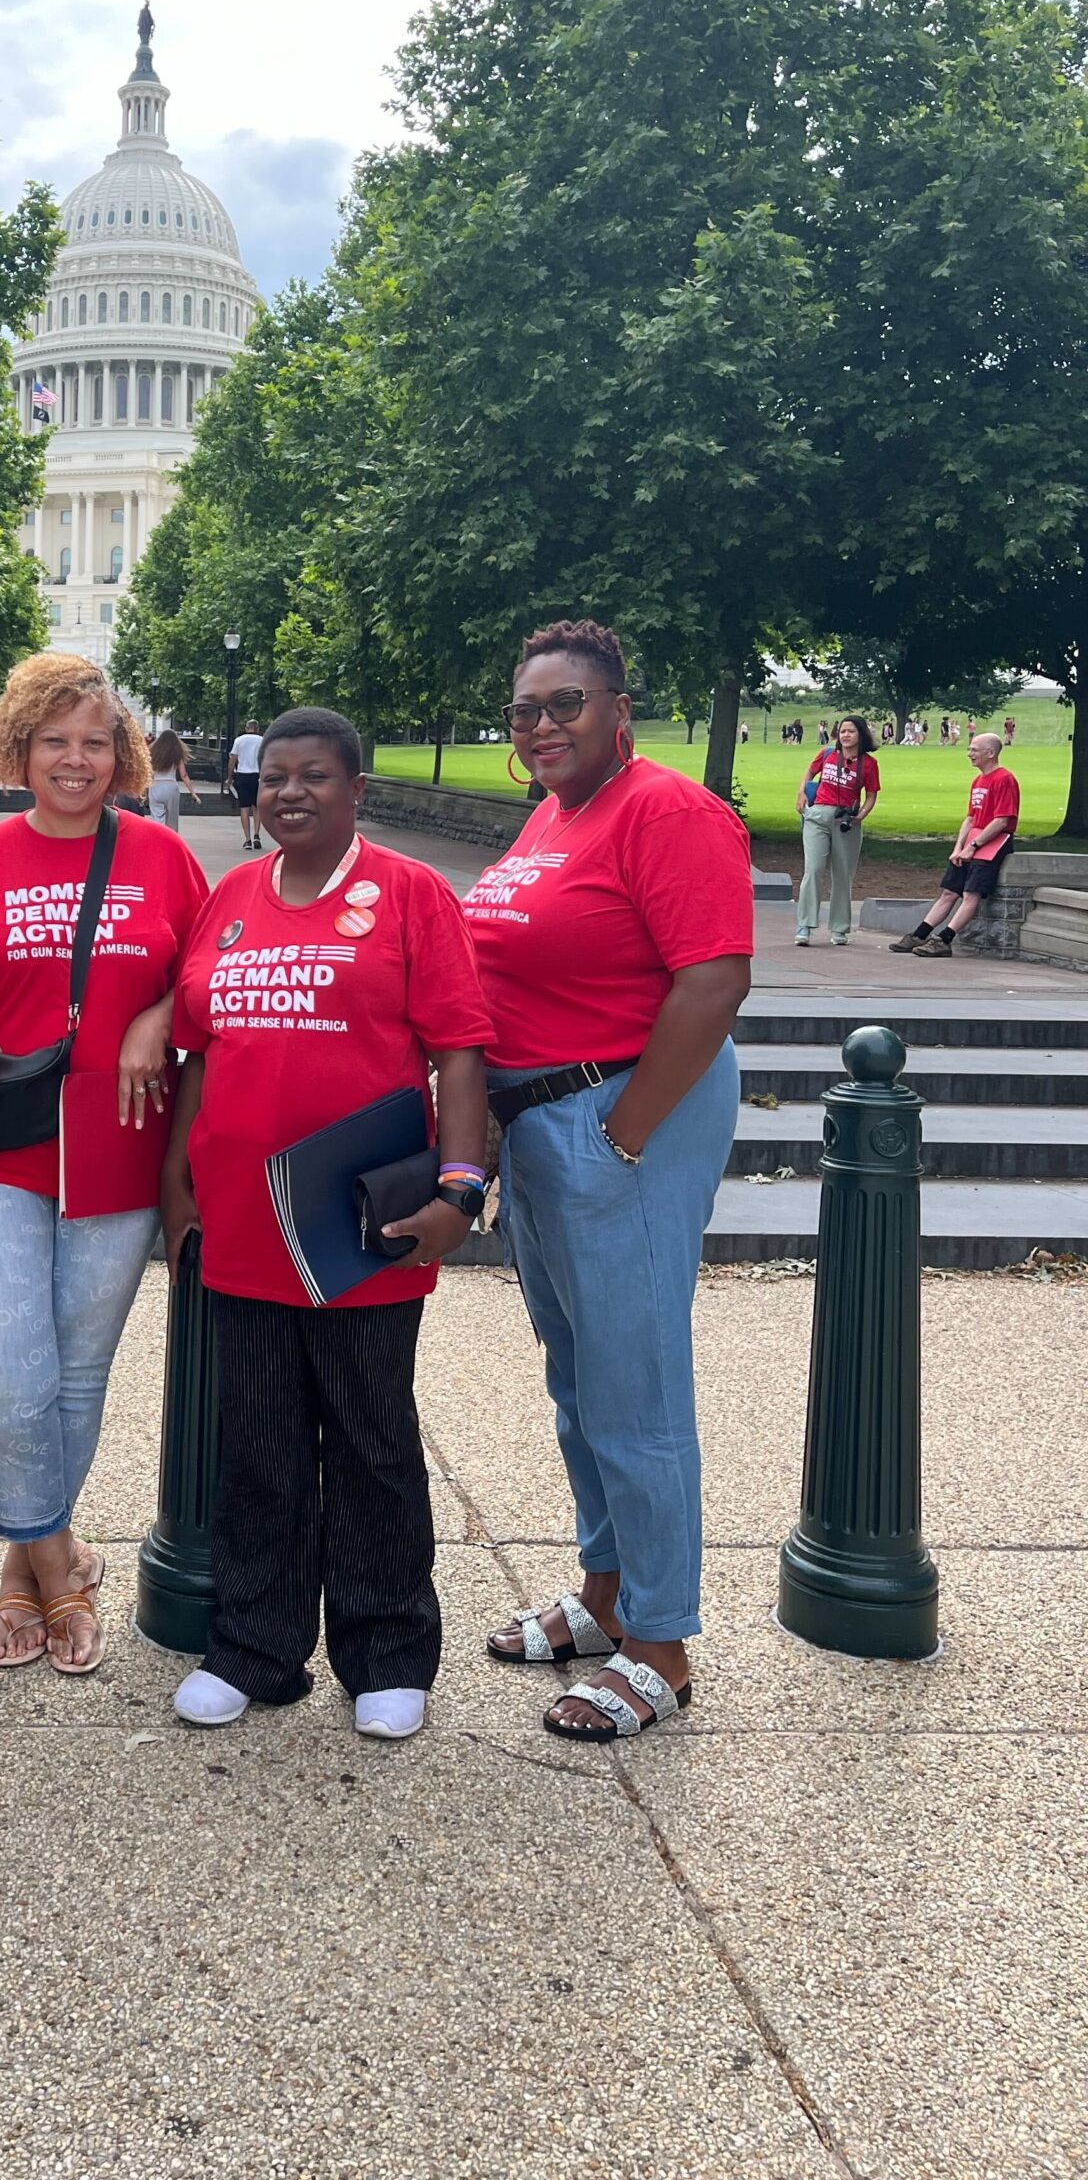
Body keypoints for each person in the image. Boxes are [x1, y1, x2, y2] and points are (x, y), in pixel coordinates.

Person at [161, 708, 494, 1743]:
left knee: (369, 1436)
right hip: (244, 1224)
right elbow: (198, 1054)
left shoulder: (408, 895)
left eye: (314, 775)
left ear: (357, 788)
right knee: (255, 1442)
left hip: (363, 1228)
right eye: (272, 777)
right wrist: (177, 1192)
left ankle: (387, 1647)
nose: (289, 792)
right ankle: (255, 1647)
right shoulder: (229, 900)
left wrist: (461, 1189)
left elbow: (461, 1052)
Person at [462, 621, 753, 1743]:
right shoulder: (554, 813)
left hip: (620, 1112)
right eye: (526, 709)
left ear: (619, 707)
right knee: (580, 1379)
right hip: (543, 1125)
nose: (542, 724)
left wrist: (624, 1137)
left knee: (637, 1390)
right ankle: (606, 1596)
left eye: (566, 703)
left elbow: (714, 979)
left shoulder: (668, 810)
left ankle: (664, 1642)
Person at [0, 653, 208, 1676]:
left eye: (95, 740)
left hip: (118, 1144)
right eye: (55, 740)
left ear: (121, 751)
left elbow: (209, 974)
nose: (76, 759)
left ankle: (23, 1571)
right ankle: (63, 1558)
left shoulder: (163, 857)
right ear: (20, 748)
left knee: (73, 1373)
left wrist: (156, 1017)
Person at [890, 730, 1020, 960]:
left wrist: (975, 845)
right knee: (949, 891)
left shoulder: (1004, 779)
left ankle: (944, 939)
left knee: (971, 893)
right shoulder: (978, 780)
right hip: (973, 840)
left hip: (992, 842)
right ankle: (920, 935)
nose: (969, 753)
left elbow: (1001, 820)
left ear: (990, 753)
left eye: (974, 749)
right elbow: (970, 817)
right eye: (970, 749)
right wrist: (959, 846)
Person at [795, 715, 879, 947]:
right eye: (842, 731)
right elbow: (810, 773)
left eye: (851, 731)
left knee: (843, 875)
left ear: (861, 734)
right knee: (813, 869)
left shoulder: (869, 764)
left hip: (846, 821)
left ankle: (839, 928)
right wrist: (802, 792)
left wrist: (859, 816)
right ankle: (805, 925)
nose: (845, 735)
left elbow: (871, 795)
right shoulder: (827, 754)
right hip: (819, 815)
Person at [224, 720, 265, 850]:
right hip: (258, 775)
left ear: (246, 728)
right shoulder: (262, 740)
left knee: (244, 808)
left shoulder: (239, 741)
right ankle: (257, 835)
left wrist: (229, 778)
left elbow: (232, 761)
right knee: (257, 807)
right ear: (257, 728)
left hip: (242, 775)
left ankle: (247, 840)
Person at [146, 728, 198, 833]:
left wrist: (145, 792)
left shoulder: (153, 752)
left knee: (156, 818)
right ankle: (171, 840)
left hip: (156, 785)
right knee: (172, 820)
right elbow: (183, 775)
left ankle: (158, 839)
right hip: (171, 786)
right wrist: (192, 792)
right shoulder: (177, 753)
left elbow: (149, 773)